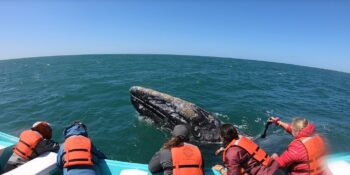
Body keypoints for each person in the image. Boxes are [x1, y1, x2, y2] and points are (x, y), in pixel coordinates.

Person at [213, 123, 280, 175]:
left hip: (261, 173)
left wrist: (221, 170)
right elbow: (241, 152)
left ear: (223, 137)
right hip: (270, 168)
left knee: (215, 168)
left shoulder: (231, 154)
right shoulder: (243, 139)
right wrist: (225, 151)